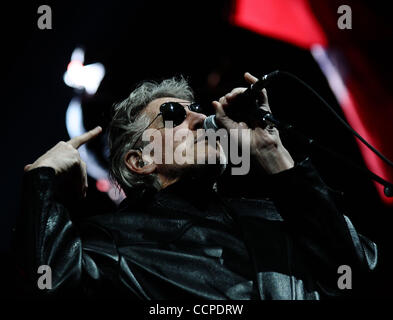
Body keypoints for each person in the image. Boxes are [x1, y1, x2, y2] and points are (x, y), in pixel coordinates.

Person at [15, 72, 377, 299]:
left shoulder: (276, 216)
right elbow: (50, 285)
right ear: (140, 161)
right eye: (173, 115)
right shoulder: (116, 243)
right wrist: (43, 179)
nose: (202, 119)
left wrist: (272, 150)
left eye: (197, 110)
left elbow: (354, 271)